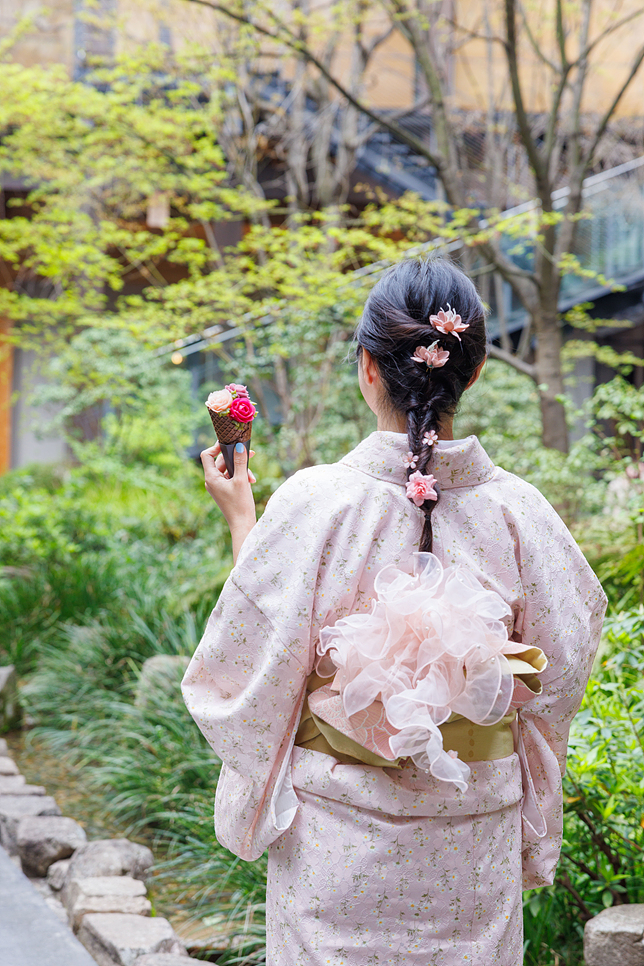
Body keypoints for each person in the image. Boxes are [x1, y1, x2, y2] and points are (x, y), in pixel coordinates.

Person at [182, 257, 606, 966]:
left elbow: (247, 667)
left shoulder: (315, 503)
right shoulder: (520, 514)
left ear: (367, 369)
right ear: (471, 374)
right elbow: (558, 679)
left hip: (336, 845)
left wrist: (242, 520)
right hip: (473, 833)